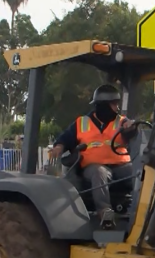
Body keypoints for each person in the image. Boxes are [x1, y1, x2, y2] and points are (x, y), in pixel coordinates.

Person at [48, 84, 137, 223]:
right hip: (93, 167)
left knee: (140, 172)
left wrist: (130, 128)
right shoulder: (81, 122)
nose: (117, 107)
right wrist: (59, 147)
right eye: (113, 104)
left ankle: (143, 209)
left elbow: (130, 131)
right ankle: (105, 211)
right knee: (99, 172)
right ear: (103, 105)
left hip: (121, 166)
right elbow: (65, 138)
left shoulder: (121, 121)